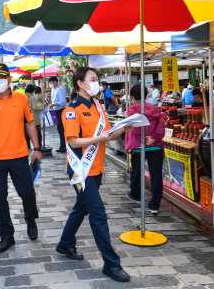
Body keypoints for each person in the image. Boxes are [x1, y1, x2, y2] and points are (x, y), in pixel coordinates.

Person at [57, 67, 132, 282]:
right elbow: (73, 141)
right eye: (92, 79)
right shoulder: (72, 110)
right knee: (97, 213)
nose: (96, 82)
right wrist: (99, 139)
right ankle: (111, 263)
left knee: (82, 207)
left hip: (97, 169)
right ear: (80, 84)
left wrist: (124, 129)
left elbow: (106, 134)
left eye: (97, 79)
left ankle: (65, 243)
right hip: (80, 171)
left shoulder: (98, 106)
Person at [0, 63, 42, 253]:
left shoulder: (21, 99)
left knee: (27, 193)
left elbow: (30, 124)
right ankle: (6, 235)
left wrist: (36, 149)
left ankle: (30, 219)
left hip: (19, 155)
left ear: (9, 79)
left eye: (2, 78)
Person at [125, 84, 165, 214]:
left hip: (138, 146)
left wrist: (144, 138)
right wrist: (152, 138)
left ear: (132, 97)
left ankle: (136, 195)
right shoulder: (156, 109)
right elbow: (161, 127)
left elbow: (134, 127)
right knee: (156, 175)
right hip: (155, 146)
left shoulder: (131, 109)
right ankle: (154, 205)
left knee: (137, 171)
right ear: (146, 95)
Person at [48, 76, 67, 153]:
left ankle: (63, 146)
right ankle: (62, 145)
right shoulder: (53, 89)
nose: (50, 84)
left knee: (61, 129)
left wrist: (54, 104)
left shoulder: (60, 89)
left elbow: (63, 102)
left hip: (61, 111)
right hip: (55, 111)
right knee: (58, 129)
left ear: (55, 82)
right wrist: (51, 103)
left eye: (50, 83)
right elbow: (54, 100)